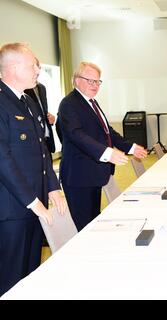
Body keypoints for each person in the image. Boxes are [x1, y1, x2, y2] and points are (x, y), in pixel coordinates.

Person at [0, 43, 65, 296]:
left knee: (31, 271)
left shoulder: (27, 99)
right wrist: (32, 201)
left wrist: (52, 188)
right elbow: (2, 158)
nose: (38, 69)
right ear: (13, 68)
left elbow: (41, 151)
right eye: (32, 65)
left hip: (35, 202)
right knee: (11, 275)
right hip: (13, 208)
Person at [57, 62, 147, 231]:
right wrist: (107, 152)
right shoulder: (69, 104)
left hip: (93, 173)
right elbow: (76, 135)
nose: (95, 85)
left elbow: (107, 132)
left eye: (97, 82)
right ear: (76, 80)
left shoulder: (91, 102)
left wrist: (130, 148)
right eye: (90, 81)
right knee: (84, 226)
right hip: (78, 176)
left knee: (93, 220)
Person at [24, 60, 57, 153]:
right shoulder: (23, 88)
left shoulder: (42, 87)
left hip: (46, 139)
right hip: (33, 139)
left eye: (39, 67)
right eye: (34, 67)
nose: (37, 70)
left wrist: (50, 119)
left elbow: (43, 110)